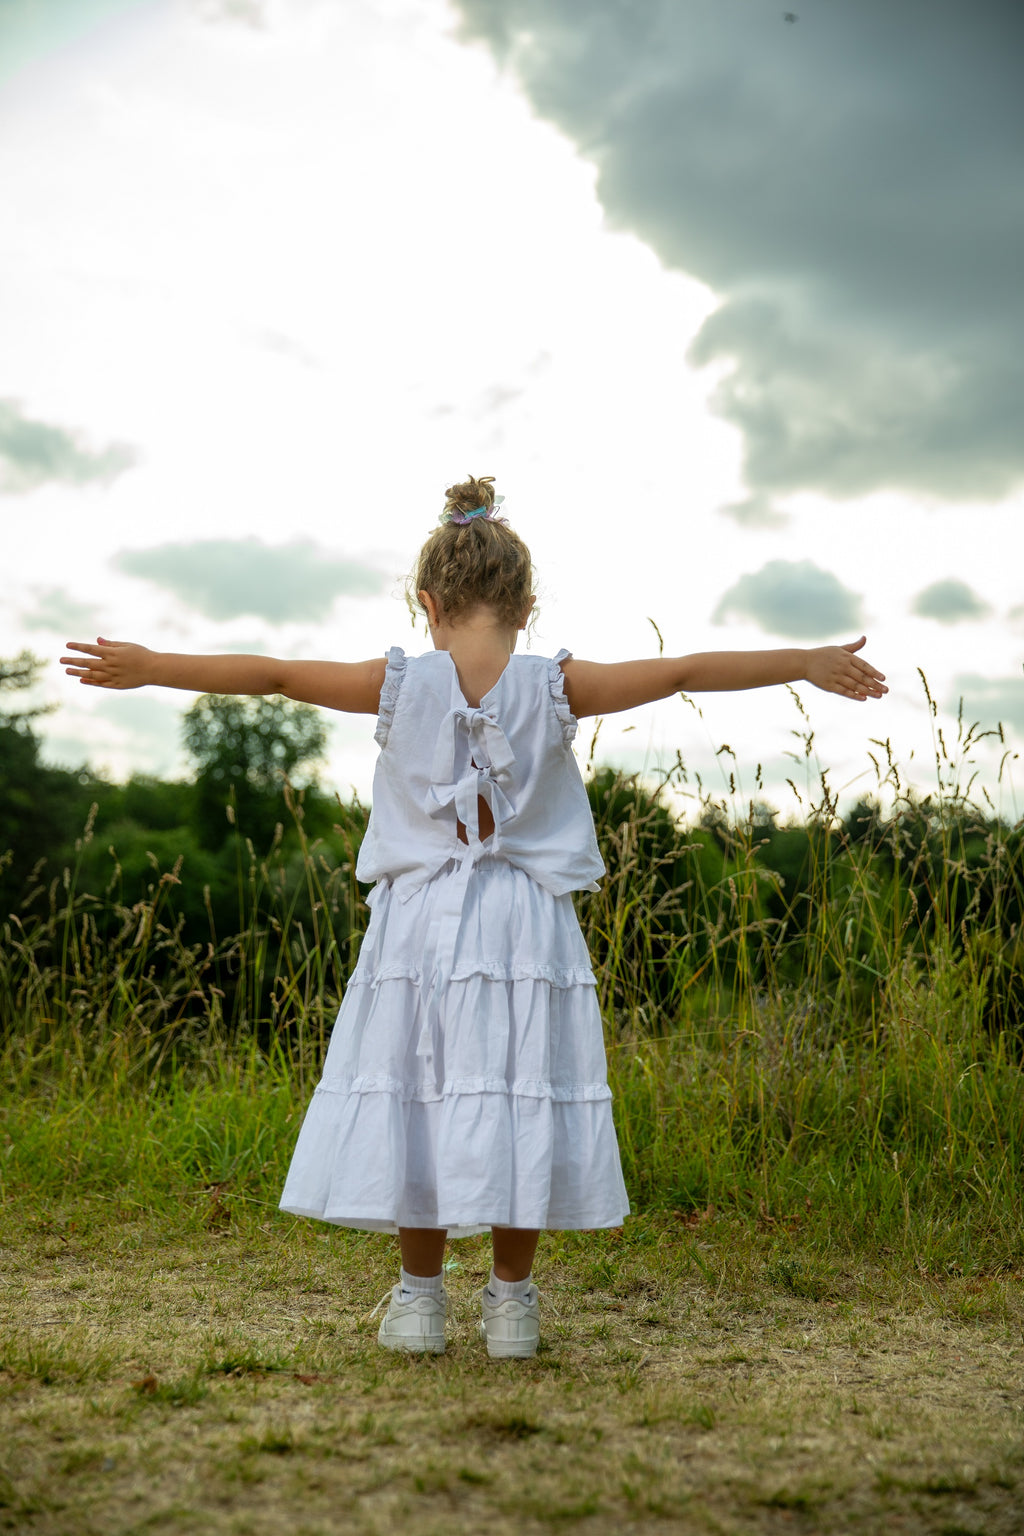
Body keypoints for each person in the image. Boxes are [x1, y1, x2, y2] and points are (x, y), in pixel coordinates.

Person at [61, 474, 887, 1360]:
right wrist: (804, 661)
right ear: (525, 607)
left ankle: (420, 1301)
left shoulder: (395, 684)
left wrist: (152, 669)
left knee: (421, 1094)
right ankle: (512, 1305)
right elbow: (685, 670)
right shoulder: (558, 685)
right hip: (526, 926)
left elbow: (270, 675)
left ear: (428, 603)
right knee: (518, 1092)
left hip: (418, 927)